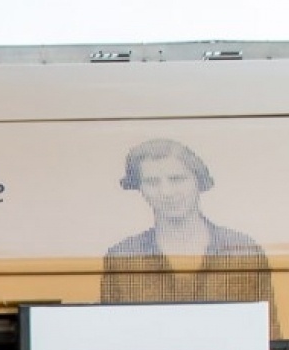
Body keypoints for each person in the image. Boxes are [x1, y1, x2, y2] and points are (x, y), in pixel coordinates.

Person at [100, 138, 279, 338]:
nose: (166, 192)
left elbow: (268, 336)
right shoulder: (122, 256)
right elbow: (114, 338)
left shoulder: (242, 249)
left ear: (198, 180)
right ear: (139, 188)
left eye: (177, 179)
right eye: (152, 182)